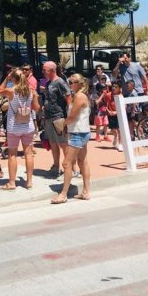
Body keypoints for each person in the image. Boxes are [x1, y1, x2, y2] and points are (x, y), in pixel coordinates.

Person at [52, 73, 92, 204]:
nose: (69, 84)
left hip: (77, 133)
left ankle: (63, 194)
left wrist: (61, 124)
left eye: (72, 82)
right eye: (69, 81)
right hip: (81, 131)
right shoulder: (79, 96)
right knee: (82, 161)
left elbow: (72, 117)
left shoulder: (80, 96)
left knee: (66, 163)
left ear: (79, 84)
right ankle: (86, 191)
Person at [0, 68, 40, 190]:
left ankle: (12, 182)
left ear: (14, 79)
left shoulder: (11, 91)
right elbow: (37, 109)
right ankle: (29, 181)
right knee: (28, 153)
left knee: (12, 155)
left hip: (13, 126)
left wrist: (7, 77)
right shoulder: (31, 91)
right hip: (28, 125)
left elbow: (0, 90)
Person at [40, 61, 71, 178]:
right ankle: (56, 166)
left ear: (52, 70)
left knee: (63, 144)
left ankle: (69, 168)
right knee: (53, 143)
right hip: (49, 117)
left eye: (44, 70)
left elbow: (68, 99)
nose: (43, 72)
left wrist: (69, 117)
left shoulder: (60, 82)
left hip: (58, 117)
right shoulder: (49, 83)